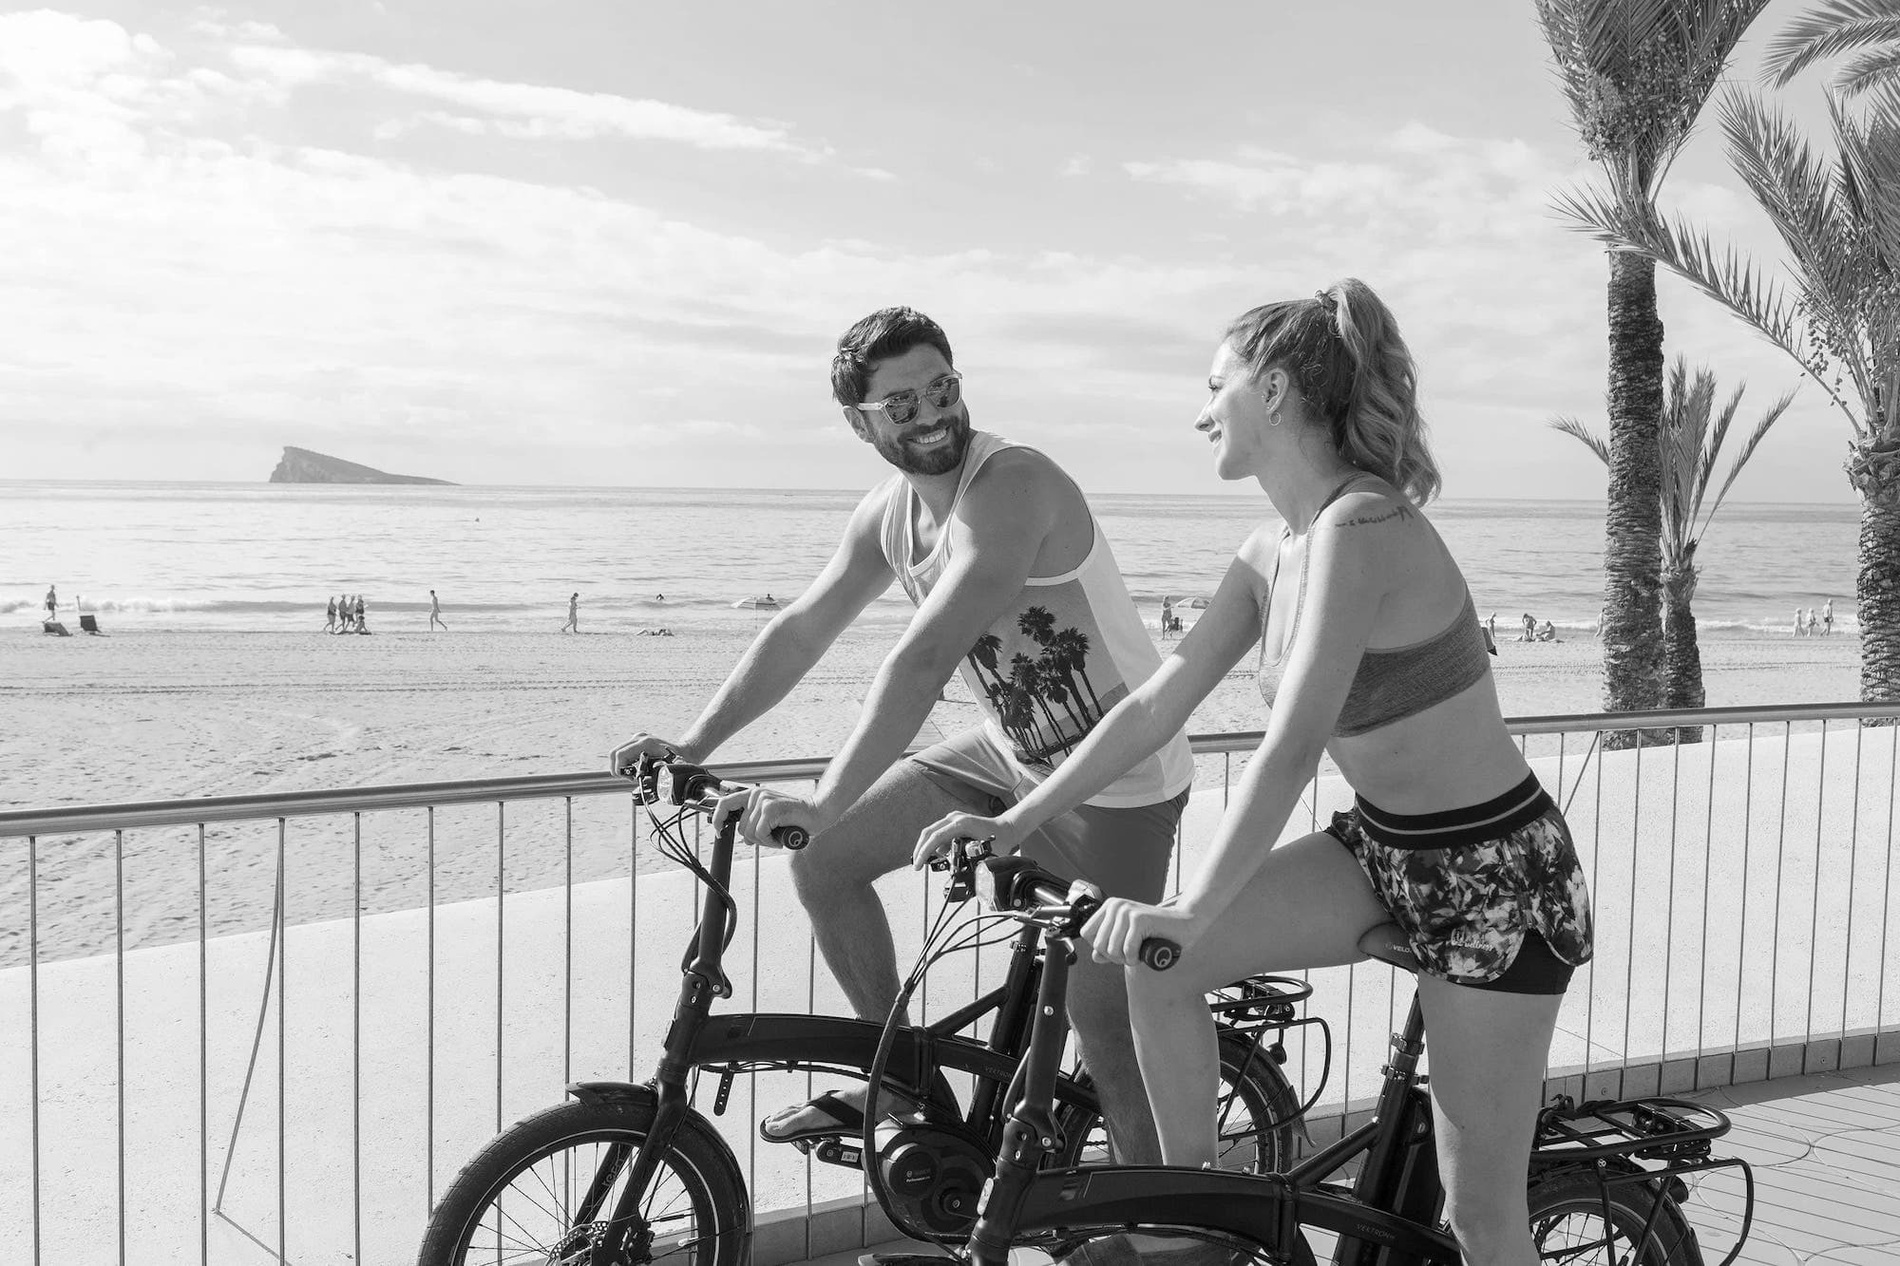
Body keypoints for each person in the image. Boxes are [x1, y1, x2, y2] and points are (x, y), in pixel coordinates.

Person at [917, 280, 1594, 1266]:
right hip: (1383, 847)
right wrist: (1016, 820)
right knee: (1157, 966)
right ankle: (1194, 1226)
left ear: (1272, 390)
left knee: (1479, 1220)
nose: (1200, 412)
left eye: (1213, 386)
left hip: (1496, 874)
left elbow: (1286, 747)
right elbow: (1150, 705)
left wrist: (1189, 904)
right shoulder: (1266, 551)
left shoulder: (1360, 530)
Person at [609, 306, 1194, 1167]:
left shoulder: (1014, 485)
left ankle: (1166, 1238)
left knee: (1101, 1031)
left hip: (1120, 779)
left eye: (943, 388)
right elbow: (805, 628)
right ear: (859, 422)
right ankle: (905, 1076)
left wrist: (822, 798)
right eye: (902, 404)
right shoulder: (891, 514)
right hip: (1011, 753)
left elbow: (921, 663)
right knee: (827, 861)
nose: (932, 414)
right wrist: (694, 743)